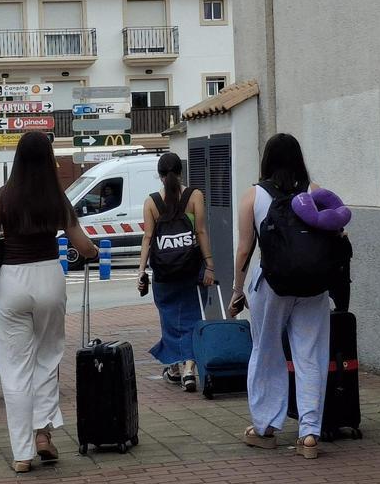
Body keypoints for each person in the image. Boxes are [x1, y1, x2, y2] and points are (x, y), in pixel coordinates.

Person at [0, 132, 98, 473]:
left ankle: (22, 454)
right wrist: (94, 252)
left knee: (15, 369)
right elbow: (83, 245)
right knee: (47, 359)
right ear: (48, 159)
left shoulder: (2, 197)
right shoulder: (57, 197)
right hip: (49, 279)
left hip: (13, 280)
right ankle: (43, 435)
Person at [228, 133, 331, 459]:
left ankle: (266, 428)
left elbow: (245, 248)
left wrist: (237, 290)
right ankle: (310, 433)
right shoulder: (314, 192)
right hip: (313, 284)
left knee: (267, 350)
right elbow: (336, 232)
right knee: (310, 353)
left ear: (268, 160)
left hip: (271, 284)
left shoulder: (253, 196)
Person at [137, 152, 214, 392]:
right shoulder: (195, 196)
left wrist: (141, 271)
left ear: (159, 176)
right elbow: (200, 232)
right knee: (193, 317)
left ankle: (176, 366)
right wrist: (209, 265)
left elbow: (148, 238)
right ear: (181, 172)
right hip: (192, 269)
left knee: (170, 320)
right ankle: (189, 368)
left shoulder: (151, 202)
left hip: (164, 272)